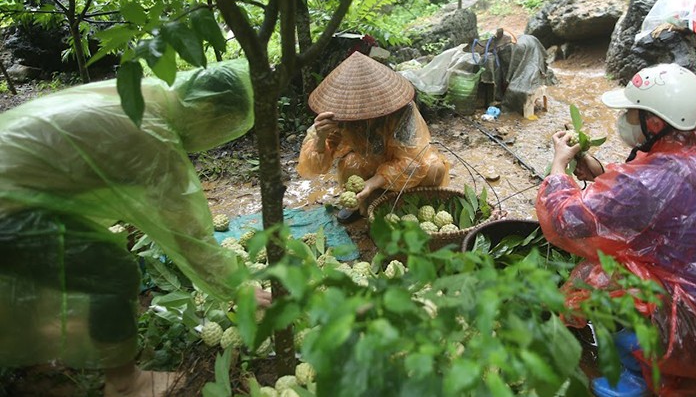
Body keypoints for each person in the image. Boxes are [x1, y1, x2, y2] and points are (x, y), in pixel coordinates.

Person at [0, 59, 271, 397]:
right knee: (112, 272)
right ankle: (126, 385)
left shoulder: (146, 95)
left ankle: (36, 348)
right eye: (223, 125)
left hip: (18, 186)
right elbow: (189, 236)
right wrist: (238, 288)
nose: (216, 137)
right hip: (9, 204)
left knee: (69, 258)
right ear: (207, 107)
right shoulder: (153, 132)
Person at [535, 63, 696, 396]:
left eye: (631, 112)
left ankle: (635, 372)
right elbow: (648, 194)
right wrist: (598, 172)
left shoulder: (652, 181)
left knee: (598, 276)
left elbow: (565, 218)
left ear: (654, 123)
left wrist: (558, 166)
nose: (625, 117)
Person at [297, 51, 449, 218]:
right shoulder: (337, 116)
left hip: (400, 168)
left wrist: (373, 183)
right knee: (350, 164)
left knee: (435, 169)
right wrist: (320, 138)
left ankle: (413, 202)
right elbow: (314, 167)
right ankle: (361, 203)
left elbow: (412, 159)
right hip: (367, 165)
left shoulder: (402, 111)